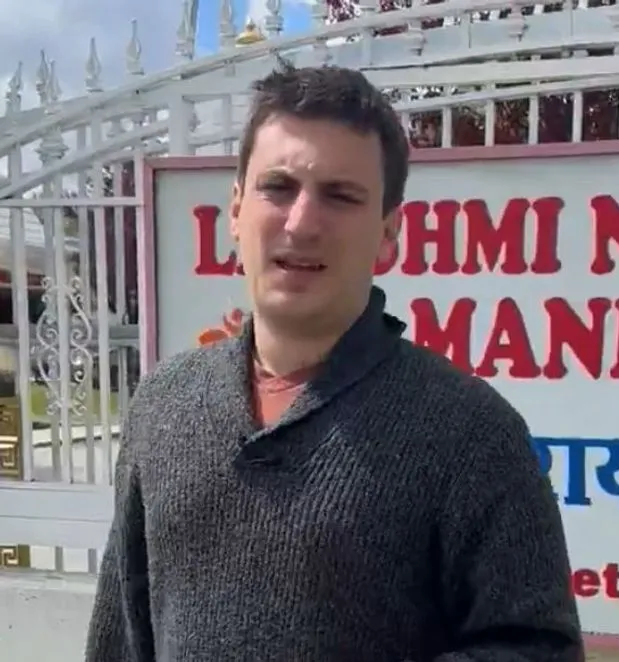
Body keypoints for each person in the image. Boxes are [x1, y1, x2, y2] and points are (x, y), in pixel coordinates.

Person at [85, 62, 584, 662]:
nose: (301, 223)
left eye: (340, 196)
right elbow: (120, 636)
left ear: (388, 232)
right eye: (278, 187)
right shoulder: (163, 406)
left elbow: (541, 649)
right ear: (235, 210)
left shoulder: (469, 433)